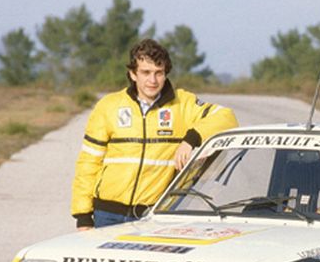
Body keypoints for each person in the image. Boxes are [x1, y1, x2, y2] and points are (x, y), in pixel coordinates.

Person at [71, 38, 238, 229]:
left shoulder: (182, 104)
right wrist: (82, 216)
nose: (153, 80)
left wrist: (191, 139)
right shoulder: (108, 106)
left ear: (166, 74)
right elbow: (88, 163)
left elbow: (226, 116)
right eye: (146, 72)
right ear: (133, 74)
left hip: (152, 218)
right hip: (106, 216)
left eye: (159, 73)